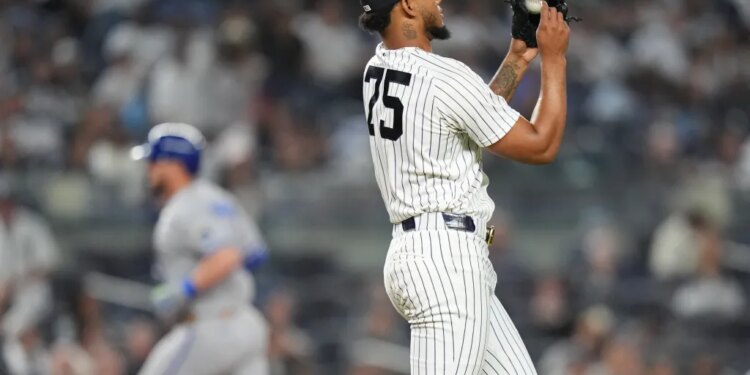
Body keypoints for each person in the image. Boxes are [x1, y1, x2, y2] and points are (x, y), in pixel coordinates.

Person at [358, 0, 570, 372]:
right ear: (406, 5)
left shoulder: (377, 66)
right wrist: (554, 59)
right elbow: (541, 144)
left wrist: (518, 58)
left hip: (426, 252)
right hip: (446, 262)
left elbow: (468, 116)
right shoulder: (442, 77)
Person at [133, 123, 269, 374]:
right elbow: (255, 254)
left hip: (210, 325)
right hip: (247, 323)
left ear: (172, 164)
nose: (149, 169)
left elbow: (228, 256)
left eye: (153, 161)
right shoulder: (219, 198)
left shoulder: (184, 207)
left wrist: (184, 288)